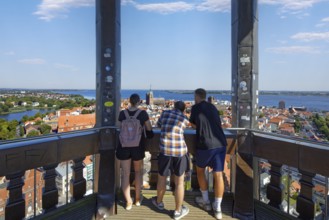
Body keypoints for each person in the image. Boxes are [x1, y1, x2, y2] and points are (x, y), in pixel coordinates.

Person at [189, 88, 227, 220]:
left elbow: (193, 124)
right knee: (218, 174)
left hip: (205, 144)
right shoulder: (213, 107)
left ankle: (206, 201)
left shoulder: (195, 108)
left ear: (196, 97)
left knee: (200, 171)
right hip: (220, 143)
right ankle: (218, 208)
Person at [152, 101, 190, 220]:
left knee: (162, 177)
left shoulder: (164, 113)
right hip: (179, 152)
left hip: (165, 151)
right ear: (183, 110)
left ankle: (159, 202)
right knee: (179, 182)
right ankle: (178, 211)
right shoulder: (184, 118)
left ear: (173, 107)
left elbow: (159, 125)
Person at [116, 93, 153, 210]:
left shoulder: (122, 113)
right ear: (139, 102)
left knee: (125, 174)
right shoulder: (142, 113)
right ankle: (137, 199)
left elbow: (119, 128)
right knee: (138, 172)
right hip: (137, 146)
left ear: (129, 101)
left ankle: (128, 202)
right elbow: (149, 128)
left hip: (124, 146)